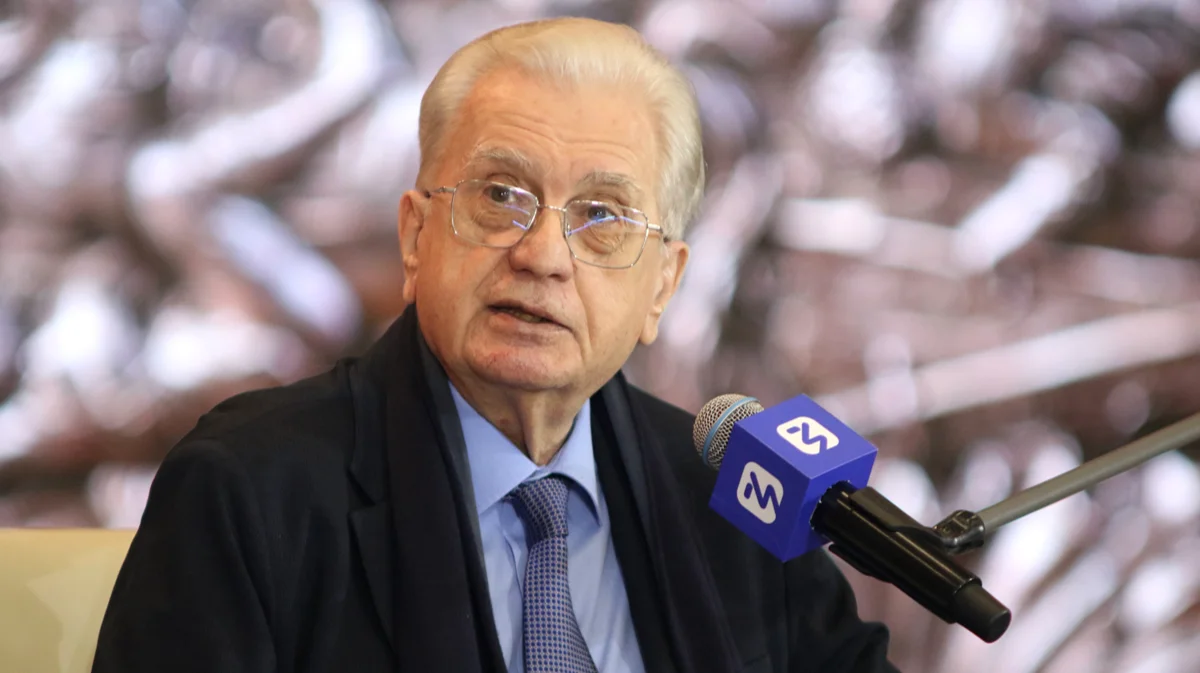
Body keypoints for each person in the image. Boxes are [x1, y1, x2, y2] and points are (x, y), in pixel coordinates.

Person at [92, 17, 898, 673]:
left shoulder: (733, 499)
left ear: (662, 285)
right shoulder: (249, 492)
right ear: (415, 237)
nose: (543, 254)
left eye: (602, 216)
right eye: (501, 195)